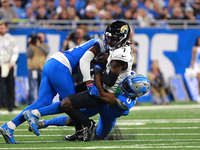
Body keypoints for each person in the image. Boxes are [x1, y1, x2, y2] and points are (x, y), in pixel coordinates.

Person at [0, 20, 131, 144]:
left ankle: (9, 126)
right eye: (108, 37)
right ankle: (78, 127)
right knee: (69, 103)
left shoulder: (113, 50)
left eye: (112, 38)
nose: (108, 41)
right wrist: (89, 83)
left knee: (42, 102)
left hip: (52, 63)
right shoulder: (101, 44)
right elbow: (84, 60)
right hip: (61, 66)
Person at [30, 73, 150, 141]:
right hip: (99, 105)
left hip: (109, 115)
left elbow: (103, 95)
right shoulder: (128, 77)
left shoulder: (126, 102)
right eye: (125, 83)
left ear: (135, 94)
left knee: (98, 137)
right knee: (74, 118)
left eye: (127, 87)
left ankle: (91, 129)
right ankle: (45, 123)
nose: (123, 86)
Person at [0, 22, 19, 113]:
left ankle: (10, 106)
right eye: (0, 28)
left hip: (8, 65)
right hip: (0, 65)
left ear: (6, 28)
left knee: (10, 86)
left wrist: (12, 62)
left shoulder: (11, 39)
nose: (1, 29)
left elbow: (15, 51)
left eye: (3, 28)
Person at [26, 32, 49, 104]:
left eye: (41, 37)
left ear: (44, 38)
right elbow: (28, 55)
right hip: (33, 68)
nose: (39, 38)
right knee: (32, 86)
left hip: (42, 68)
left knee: (42, 86)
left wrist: (39, 45)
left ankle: (41, 101)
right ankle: (32, 102)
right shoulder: (32, 46)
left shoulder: (45, 46)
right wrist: (30, 45)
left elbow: (47, 52)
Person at [190, 36, 200, 102]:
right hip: (197, 66)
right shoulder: (195, 48)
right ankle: (199, 95)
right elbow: (193, 58)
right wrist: (191, 67)